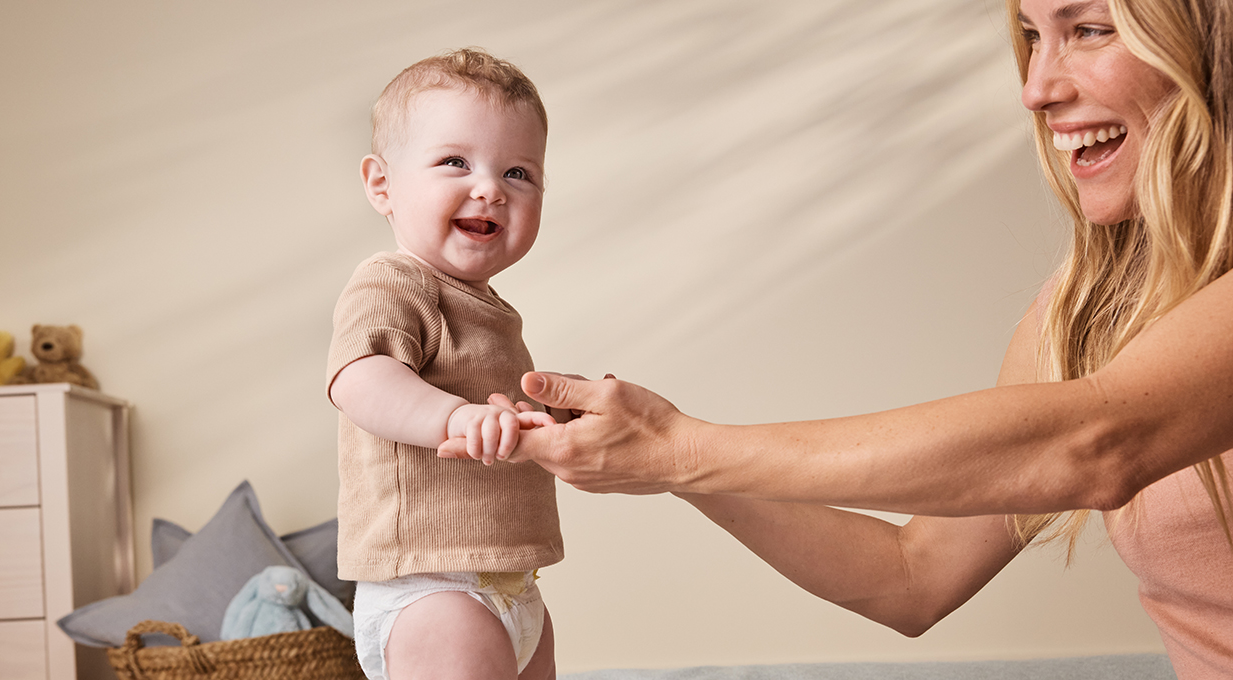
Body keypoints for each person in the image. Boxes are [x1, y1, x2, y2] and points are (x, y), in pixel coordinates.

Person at [439, 0, 1233, 677]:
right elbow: (911, 578)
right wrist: (668, 463)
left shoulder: (1108, 398)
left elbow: (1096, 444)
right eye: (1031, 35)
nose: (1035, 87)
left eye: (1089, 29)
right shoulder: (1091, 309)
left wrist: (684, 446)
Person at [327, 48, 564, 680]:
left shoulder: (490, 308)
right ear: (383, 184)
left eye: (519, 172)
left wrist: (554, 415)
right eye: (455, 162)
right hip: (429, 586)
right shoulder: (393, 282)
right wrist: (454, 417)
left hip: (513, 581)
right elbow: (360, 379)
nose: (489, 187)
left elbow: (495, 414)